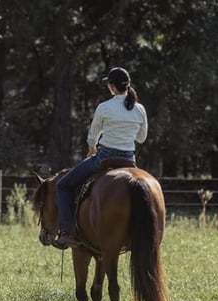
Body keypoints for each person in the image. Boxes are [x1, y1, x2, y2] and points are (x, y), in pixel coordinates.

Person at [54, 66, 148, 248]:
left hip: (104, 157)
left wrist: (91, 148)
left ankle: (67, 232)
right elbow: (141, 138)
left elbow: (93, 135)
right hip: (130, 160)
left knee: (63, 185)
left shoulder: (104, 107)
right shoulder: (140, 109)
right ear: (127, 86)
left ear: (112, 87)